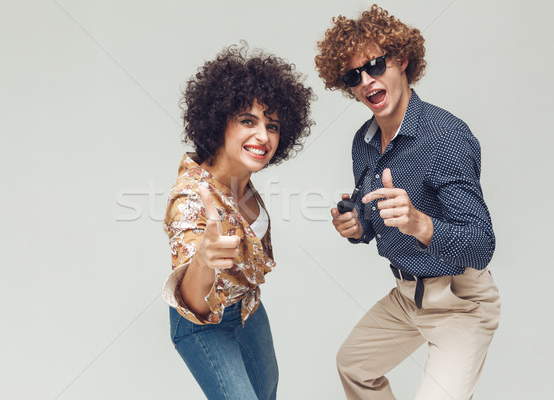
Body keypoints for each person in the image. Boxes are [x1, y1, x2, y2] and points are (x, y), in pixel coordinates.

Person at [315, 5, 501, 400]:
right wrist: (357, 227)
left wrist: (420, 223)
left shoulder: (445, 136)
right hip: (405, 297)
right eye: (353, 76)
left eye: (376, 65)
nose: (366, 81)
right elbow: (376, 221)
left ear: (401, 60)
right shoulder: (363, 142)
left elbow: (482, 244)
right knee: (353, 367)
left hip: (459, 302)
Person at [162, 43, 314, 400]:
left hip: (247, 309)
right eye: (248, 120)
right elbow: (194, 305)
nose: (263, 136)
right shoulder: (189, 198)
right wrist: (203, 258)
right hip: (205, 326)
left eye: (272, 125)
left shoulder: (239, 176)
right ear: (219, 122)